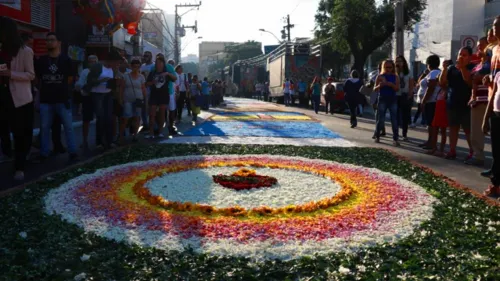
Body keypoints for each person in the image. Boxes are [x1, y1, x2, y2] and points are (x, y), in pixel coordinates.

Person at [0, 16, 35, 181]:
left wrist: (10, 74)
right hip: (3, 95)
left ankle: (19, 166)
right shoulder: (1, 49)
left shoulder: (25, 51)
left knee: (20, 133)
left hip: (19, 99)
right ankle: (8, 153)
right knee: (4, 131)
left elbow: (30, 75)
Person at [34, 32, 78, 163]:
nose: (49, 42)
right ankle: (44, 152)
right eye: (47, 40)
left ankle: (73, 152)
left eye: (52, 40)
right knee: (45, 127)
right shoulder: (41, 60)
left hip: (62, 99)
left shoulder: (66, 60)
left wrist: (61, 88)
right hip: (46, 100)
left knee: (68, 127)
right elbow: (38, 79)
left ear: (59, 43)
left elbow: (70, 78)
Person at [439, 47, 474, 160]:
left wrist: (462, 67)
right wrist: (444, 69)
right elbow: (442, 83)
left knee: (468, 129)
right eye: (460, 54)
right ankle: (452, 150)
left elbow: (469, 82)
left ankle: (473, 152)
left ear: (469, 56)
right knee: (453, 128)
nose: (461, 57)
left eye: (464, 55)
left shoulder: (472, 67)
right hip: (452, 102)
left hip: (466, 104)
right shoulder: (451, 68)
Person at [84, 49, 123, 149]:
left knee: (109, 118)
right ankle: (99, 142)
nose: (117, 64)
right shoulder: (98, 67)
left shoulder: (113, 69)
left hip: (108, 94)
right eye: (116, 62)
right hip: (97, 95)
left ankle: (109, 141)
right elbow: (89, 81)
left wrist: (116, 83)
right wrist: (101, 80)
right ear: (111, 60)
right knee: (100, 118)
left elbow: (116, 80)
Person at [466, 37, 490, 166]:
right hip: (477, 100)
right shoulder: (478, 65)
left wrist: (481, 77)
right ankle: (478, 156)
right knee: (476, 131)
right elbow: (471, 82)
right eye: (478, 46)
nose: (479, 48)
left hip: (490, 100)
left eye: (482, 45)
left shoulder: (493, 61)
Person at [75, 55, 99, 151]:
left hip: (98, 97)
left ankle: (99, 140)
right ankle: (85, 141)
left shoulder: (101, 71)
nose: (92, 63)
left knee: (100, 119)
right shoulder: (85, 71)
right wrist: (84, 86)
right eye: (90, 61)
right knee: (86, 120)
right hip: (87, 97)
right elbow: (79, 84)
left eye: (94, 61)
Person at [118, 59, 145, 144]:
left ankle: (135, 135)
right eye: (134, 66)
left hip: (138, 100)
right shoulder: (125, 76)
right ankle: (121, 136)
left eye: (138, 67)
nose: (136, 68)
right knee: (125, 118)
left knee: (137, 118)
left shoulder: (141, 77)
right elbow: (121, 88)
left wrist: (145, 100)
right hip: (127, 100)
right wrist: (120, 99)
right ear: (131, 66)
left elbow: (143, 89)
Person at [146, 57, 174, 139]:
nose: (158, 64)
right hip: (154, 95)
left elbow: (174, 79)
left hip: (164, 95)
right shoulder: (152, 73)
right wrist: (152, 82)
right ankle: (151, 133)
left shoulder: (166, 73)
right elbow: (146, 84)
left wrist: (168, 74)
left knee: (162, 114)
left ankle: (160, 132)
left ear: (163, 64)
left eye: (159, 63)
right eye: (156, 63)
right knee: (152, 114)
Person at [374, 60, 400, 146]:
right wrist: (380, 85)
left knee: (394, 120)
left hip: (392, 99)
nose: (388, 69)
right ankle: (377, 136)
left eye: (390, 67)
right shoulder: (380, 76)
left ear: (393, 68)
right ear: (383, 67)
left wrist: (391, 85)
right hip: (382, 98)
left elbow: (397, 88)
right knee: (380, 119)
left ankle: (395, 139)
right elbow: (375, 89)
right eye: (386, 67)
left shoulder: (395, 77)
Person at [420, 55, 442, 154]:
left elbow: (431, 88)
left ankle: (432, 143)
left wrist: (424, 100)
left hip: (432, 101)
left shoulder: (434, 73)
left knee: (432, 124)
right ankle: (429, 141)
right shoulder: (432, 72)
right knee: (429, 123)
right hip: (431, 101)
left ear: (428, 64)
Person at [395, 55, 415, 140]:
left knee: (405, 115)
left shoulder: (408, 72)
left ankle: (404, 134)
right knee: (396, 115)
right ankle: (396, 134)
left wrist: (410, 94)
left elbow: (411, 84)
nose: (399, 63)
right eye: (397, 61)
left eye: (400, 61)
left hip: (405, 95)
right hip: (396, 95)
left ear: (404, 62)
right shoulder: (394, 72)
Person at [140, 51, 153, 131]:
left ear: (151, 57)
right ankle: (145, 124)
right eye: (144, 55)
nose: (145, 57)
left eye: (147, 56)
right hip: (143, 88)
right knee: (143, 107)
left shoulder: (153, 66)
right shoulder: (142, 66)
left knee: (150, 107)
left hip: (151, 89)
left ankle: (151, 124)